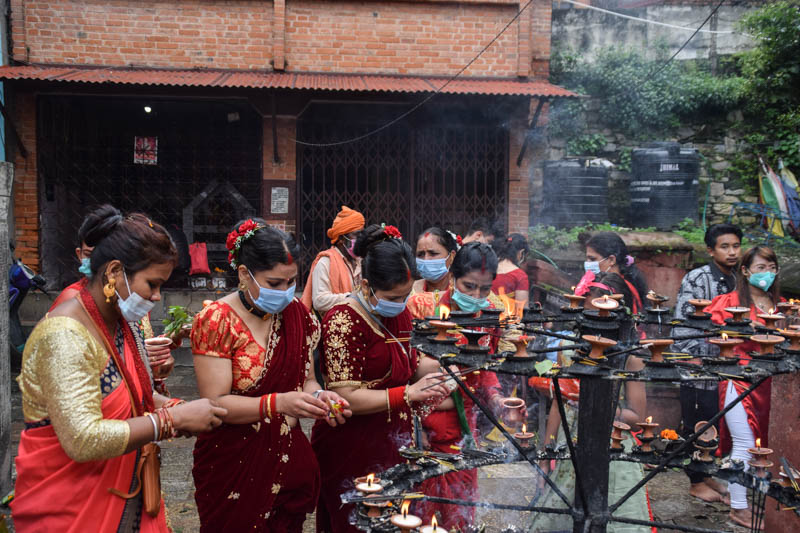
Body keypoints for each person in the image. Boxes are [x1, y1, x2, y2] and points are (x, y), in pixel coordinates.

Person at [12, 205, 226, 533]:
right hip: (72, 509)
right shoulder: (64, 334)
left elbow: (134, 391)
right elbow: (82, 439)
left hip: (127, 491)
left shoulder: (120, 322)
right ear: (114, 272)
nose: (156, 297)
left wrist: (175, 407)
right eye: (152, 284)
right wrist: (170, 421)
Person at [191, 219, 351, 532]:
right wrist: (276, 404)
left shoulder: (298, 315)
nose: (285, 292)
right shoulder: (217, 320)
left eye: (291, 282)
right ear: (243, 274)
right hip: (233, 462)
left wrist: (320, 396)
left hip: (287, 458)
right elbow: (215, 404)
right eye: (274, 283)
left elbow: (306, 380)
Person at [311, 223, 449, 533]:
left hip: (391, 441)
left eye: (405, 294)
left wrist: (447, 363)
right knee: (357, 524)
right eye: (392, 296)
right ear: (364, 285)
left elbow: (410, 363)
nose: (400, 303)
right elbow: (345, 394)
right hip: (349, 446)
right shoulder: (342, 321)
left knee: (395, 521)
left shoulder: (399, 312)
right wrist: (409, 395)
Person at [407, 242, 520, 531]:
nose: (477, 296)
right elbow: (406, 369)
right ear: (453, 275)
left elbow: (485, 373)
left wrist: (496, 400)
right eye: (469, 286)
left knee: (461, 516)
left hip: (464, 431)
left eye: (484, 289)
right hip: (425, 426)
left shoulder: (490, 314)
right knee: (423, 515)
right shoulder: (423, 307)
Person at [531, 272, 650, 532]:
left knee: (610, 514)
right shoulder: (570, 349)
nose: (594, 328)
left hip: (612, 446)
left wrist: (599, 406)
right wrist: (545, 453)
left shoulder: (629, 357)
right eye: (589, 318)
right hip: (569, 442)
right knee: (565, 509)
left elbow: (638, 417)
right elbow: (557, 403)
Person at [705, 245, 781, 529]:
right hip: (740, 378)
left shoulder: (782, 306)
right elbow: (713, 329)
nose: (767, 273)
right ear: (746, 271)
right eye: (760, 268)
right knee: (744, 444)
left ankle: (757, 504)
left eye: (771, 267)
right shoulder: (731, 302)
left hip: (771, 384)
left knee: (763, 450)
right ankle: (738, 507)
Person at [673, 223, 742, 504]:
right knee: (698, 422)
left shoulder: (740, 278)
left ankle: (708, 472)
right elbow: (682, 320)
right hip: (698, 363)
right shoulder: (698, 278)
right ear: (711, 250)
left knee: (722, 421)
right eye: (724, 247)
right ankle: (696, 481)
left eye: (736, 246)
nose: (732, 252)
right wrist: (693, 358)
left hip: (730, 364)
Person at [301, 205, 365, 316]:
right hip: (334, 325)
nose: (361, 239)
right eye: (356, 235)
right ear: (341, 239)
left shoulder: (361, 260)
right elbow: (319, 301)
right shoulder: (325, 263)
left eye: (362, 234)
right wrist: (353, 298)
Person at [584, 232, 648, 314]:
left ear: (612, 260)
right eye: (587, 259)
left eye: (592, 259)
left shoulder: (620, 287)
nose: (587, 263)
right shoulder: (597, 283)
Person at [48, 217, 95, 311]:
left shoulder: (124, 298)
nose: (95, 261)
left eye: (101, 255)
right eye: (88, 254)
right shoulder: (72, 297)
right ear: (79, 254)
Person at [408, 227, 458, 311]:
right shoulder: (409, 291)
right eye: (420, 254)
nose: (426, 259)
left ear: (452, 256)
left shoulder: (465, 292)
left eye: (433, 253)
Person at [492, 233, 530, 307]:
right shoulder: (520, 276)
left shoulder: (488, 267)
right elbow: (522, 309)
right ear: (521, 252)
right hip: (506, 318)